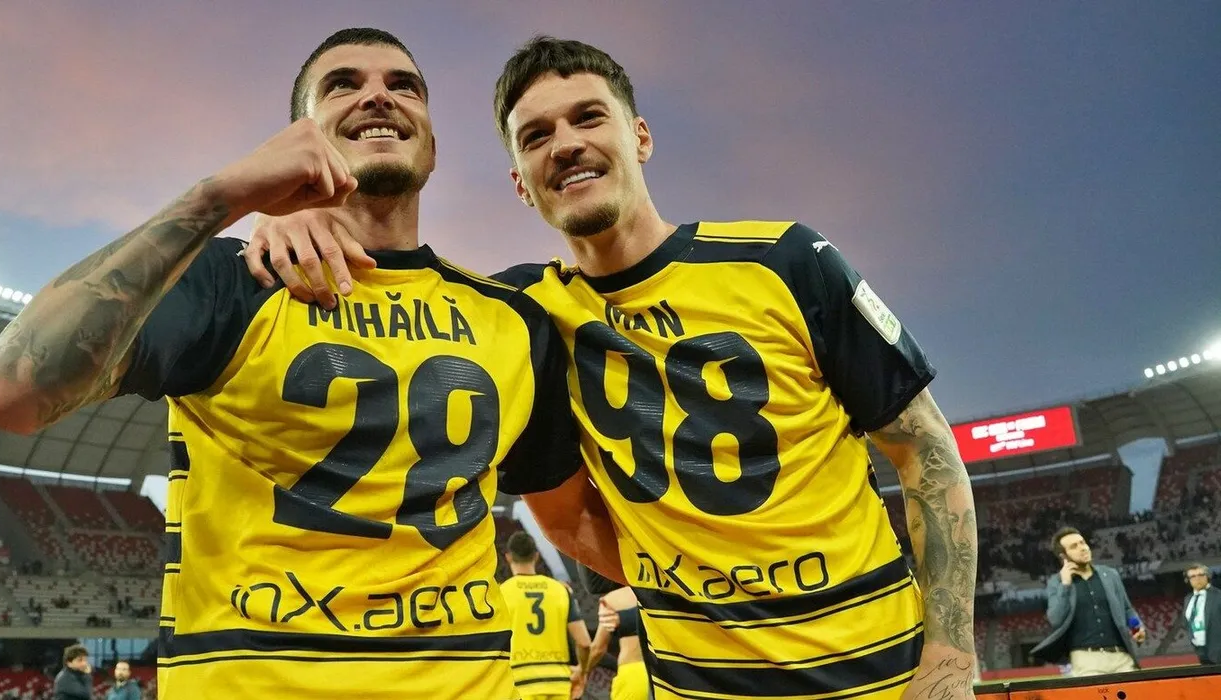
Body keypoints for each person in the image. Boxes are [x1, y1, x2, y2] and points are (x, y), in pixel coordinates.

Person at [248, 35, 979, 700]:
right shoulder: (522, 317)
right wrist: (291, 214)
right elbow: (563, 514)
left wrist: (949, 653)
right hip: (694, 685)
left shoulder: (785, 261)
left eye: (588, 118)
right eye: (536, 136)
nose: (565, 144)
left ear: (640, 137)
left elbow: (925, 451)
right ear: (520, 182)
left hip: (880, 671)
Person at [0, 28, 587, 700]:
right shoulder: (227, 283)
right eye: (343, 84)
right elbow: (11, 392)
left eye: (403, 86)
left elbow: (566, 516)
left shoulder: (515, 319)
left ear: (433, 146)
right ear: (300, 137)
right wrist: (219, 199)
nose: (377, 96)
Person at [500, 532, 603, 700]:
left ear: (508, 557)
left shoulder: (501, 593)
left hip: (520, 683)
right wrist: (582, 671)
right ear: (536, 556)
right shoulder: (560, 590)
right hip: (559, 683)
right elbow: (584, 642)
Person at [1030, 528, 1144, 676]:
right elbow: (1055, 619)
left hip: (1121, 657)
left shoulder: (1110, 575)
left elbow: (1127, 609)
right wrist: (1065, 584)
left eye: (1082, 543)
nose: (1083, 548)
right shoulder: (1056, 582)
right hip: (1086, 660)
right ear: (1063, 556)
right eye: (1074, 546)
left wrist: (1137, 628)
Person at [596, 587, 649, 700]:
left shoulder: (614, 599)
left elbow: (598, 649)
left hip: (633, 672)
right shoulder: (665, 594)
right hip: (668, 672)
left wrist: (582, 670)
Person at [1183, 563, 1221, 665]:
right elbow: (1186, 623)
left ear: (1207, 576)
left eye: (1201, 575)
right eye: (1193, 576)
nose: (1197, 579)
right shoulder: (1188, 599)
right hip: (1201, 651)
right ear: (1188, 580)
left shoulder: (1218, 596)